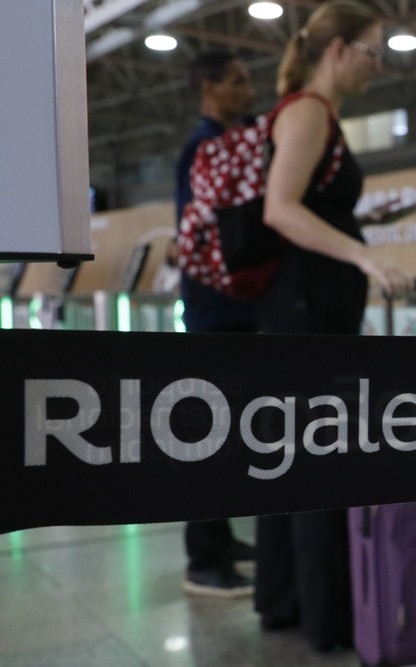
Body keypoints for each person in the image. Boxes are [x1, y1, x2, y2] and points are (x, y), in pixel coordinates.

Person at [252, 0, 413, 653]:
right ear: (338, 49)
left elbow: (307, 209)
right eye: (373, 50)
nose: (377, 64)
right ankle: (326, 617)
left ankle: (287, 603)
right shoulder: (309, 111)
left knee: (290, 458)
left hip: (304, 308)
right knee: (321, 461)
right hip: (307, 312)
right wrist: (363, 254)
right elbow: (280, 210)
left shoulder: (314, 114)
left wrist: (362, 232)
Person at [174, 51, 258, 598]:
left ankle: (221, 538)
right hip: (215, 312)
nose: (248, 90)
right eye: (237, 80)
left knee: (231, 438)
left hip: (235, 311)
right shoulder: (203, 150)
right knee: (209, 438)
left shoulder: (228, 144)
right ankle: (203, 557)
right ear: (209, 89)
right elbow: (206, 233)